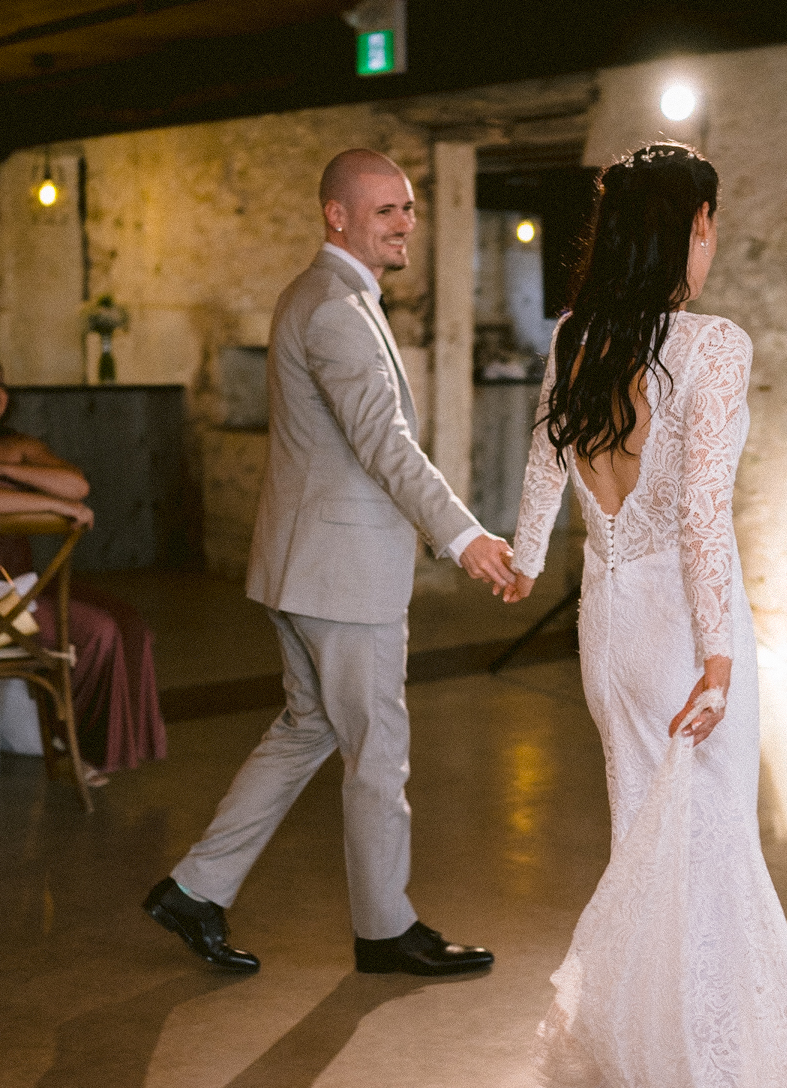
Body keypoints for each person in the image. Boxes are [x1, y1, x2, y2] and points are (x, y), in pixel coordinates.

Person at [504, 145, 787, 1088]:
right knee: (705, 867)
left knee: (646, 858)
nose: (713, 246)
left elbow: (538, 488)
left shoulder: (574, 340)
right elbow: (704, 512)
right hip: (680, 629)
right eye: (708, 226)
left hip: (606, 626)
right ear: (683, 232)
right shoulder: (712, 344)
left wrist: (518, 563)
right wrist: (718, 651)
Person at [142, 149, 515, 977]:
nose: (405, 222)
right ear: (335, 216)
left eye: (409, 208)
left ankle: (196, 889)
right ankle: (386, 931)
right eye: (385, 210)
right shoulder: (338, 308)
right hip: (342, 578)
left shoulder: (319, 295)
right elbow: (386, 444)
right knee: (377, 751)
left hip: (300, 565)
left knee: (306, 728)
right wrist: (467, 537)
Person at [0, 347, 166, 781]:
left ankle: (91, 742)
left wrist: (10, 470)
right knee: (96, 631)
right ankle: (75, 742)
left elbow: (75, 484)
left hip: (19, 588)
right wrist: (52, 504)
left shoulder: (19, 447)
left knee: (128, 621)